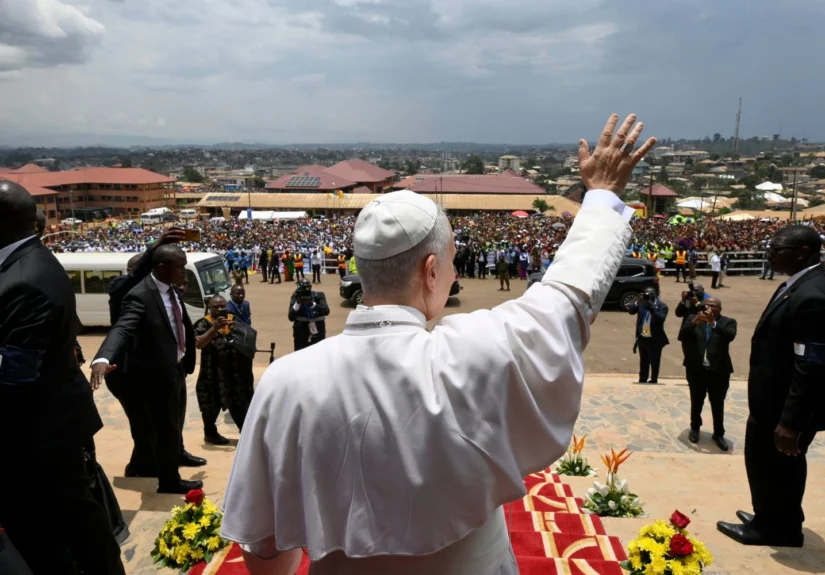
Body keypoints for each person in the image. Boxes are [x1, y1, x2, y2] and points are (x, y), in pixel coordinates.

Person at [220, 113, 655, 574]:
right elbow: (567, 298)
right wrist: (602, 193)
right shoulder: (474, 353)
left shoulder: (285, 382)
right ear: (431, 271)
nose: (452, 274)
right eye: (450, 264)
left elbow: (264, 547)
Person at [0, 180, 126, 574]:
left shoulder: (25, 280)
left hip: (38, 434)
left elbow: (14, 373)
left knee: (64, 530)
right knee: (70, 526)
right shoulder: (25, 263)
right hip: (47, 427)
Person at [718, 226, 825, 548]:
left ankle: (779, 528)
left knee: (780, 466)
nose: (769, 254)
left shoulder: (813, 295)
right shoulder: (800, 283)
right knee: (767, 464)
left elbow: (812, 365)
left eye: (777, 249)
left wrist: (791, 422)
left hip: (783, 408)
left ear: (802, 253)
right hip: (771, 403)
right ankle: (769, 516)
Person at [91, 245, 206, 495]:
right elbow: (122, 328)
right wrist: (103, 356)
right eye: (180, 266)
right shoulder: (140, 295)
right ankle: (168, 481)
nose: (184, 270)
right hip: (154, 375)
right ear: (162, 268)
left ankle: (170, 471)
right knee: (163, 429)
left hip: (175, 368)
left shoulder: (171, 289)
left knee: (172, 426)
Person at [107, 227, 187, 478]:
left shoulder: (164, 291)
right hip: (131, 372)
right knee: (145, 425)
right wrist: (153, 248)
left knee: (173, 418)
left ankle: (175, 454)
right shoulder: (124, 290)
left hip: (170, 365)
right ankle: (142, 466)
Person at [193, 295, 255, 445]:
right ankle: (210, 434)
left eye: (223, 307)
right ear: (209, 307)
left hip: (233, 374)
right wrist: (214, 329)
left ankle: (247, 435)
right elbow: (198, 343)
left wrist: (237, 330)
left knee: (239, 404)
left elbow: (249, 338)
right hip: (211, 373)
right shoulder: (202, 323)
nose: (220, 310)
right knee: (210, 405)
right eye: (216, 307)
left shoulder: (234, 320)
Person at [678, 296, 736, 451]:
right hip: (697, 370)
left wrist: (713, 323)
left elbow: (730, 336)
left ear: (719, 309)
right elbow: (681, 336)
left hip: (719, 372)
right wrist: (693, 322)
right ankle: (695, 428)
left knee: (718, 404)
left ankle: (718, 433)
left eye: (713, 306)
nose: (709, 308)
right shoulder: (693, 319)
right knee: (696, 401)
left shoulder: (727, 322)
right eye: (706, 305)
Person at [627, 286, 669, 384]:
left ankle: (654, 379)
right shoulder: (641, 304)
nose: (648, 296)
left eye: (650, 294)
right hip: (643, 337)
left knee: (654, 360)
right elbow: (631, 311)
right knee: (643, 360)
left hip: (655, 338)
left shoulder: (662, 306)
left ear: (655, 295)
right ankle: (643, 378)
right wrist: (637, 301)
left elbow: (660, 319)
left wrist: (650, 307)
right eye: (646, 294)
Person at [288, 278, 330, 351]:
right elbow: (291, 317)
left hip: (318, 330)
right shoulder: (295, 297)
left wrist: (313, 304)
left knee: (319, 352)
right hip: (301, 331)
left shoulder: (318, 295)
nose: (305, 291)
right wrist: (297, 303)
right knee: (300, 354)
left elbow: (326, 311)